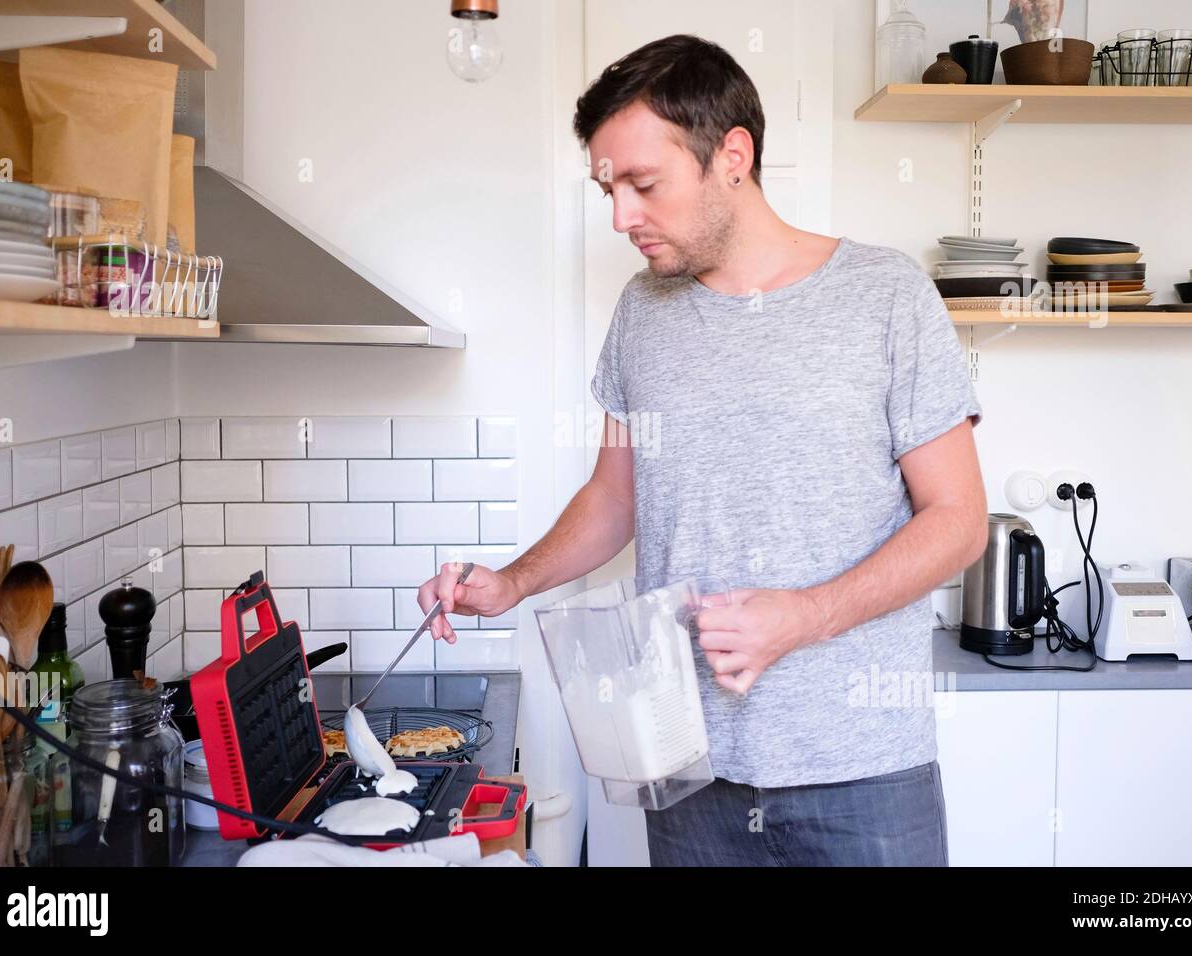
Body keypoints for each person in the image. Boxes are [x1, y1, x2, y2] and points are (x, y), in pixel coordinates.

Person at [418, 34, 986, 866]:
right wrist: (513, 581)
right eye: (608, 188)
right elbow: (616, 497)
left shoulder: (884, 295)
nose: (621, 216)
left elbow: (959, 520)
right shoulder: (644, 312)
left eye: (644, 184)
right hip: (687, 770)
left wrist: (804, 617)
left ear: (732, 156)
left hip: (862, 774)